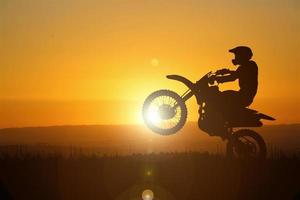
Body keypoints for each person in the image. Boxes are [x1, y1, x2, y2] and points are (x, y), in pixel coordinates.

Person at [199, 46, 258, 136]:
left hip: (243, 96)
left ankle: (216, 123)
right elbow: (236, 73)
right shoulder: (248, 65)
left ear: (242, 56)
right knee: (221, 96)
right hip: (244, 95)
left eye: (237, 55)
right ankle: (217, 123)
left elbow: (233, 77)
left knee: (218, 98)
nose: (235, 58)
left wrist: (217, 79)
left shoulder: (249, 65)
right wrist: (225, 72)